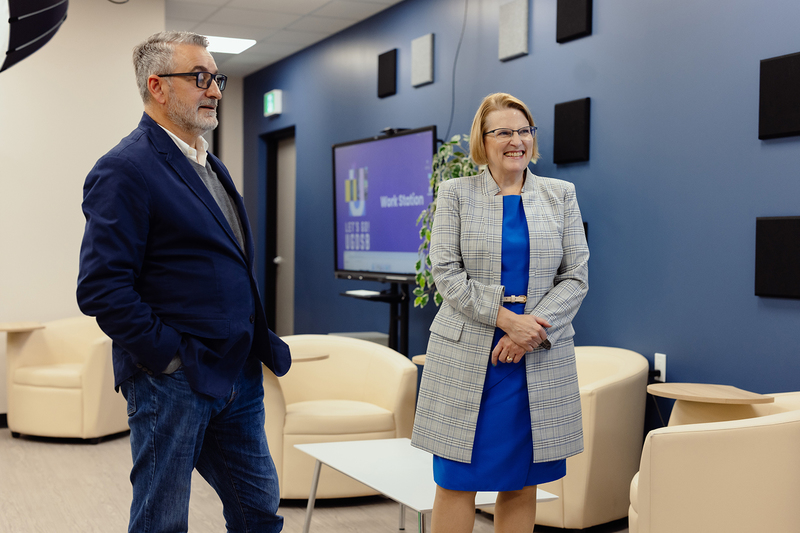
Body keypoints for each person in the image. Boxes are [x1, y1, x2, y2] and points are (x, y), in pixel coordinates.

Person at [77, 31, 291, 533]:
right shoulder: (124, 169)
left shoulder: (206, 163)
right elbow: (101, 288)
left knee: (258, 511)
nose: (215, 88)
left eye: (216, 77)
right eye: (200, 78)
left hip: (236, 373)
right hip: (174, 381)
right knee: (162, 520)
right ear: (157, 86)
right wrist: (170, 357)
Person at [411, 93, 589, 533]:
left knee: (521, 480)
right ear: (483, 140)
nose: (516, 140)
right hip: (469, 353)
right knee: (455, 479)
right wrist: (505, 319)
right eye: (504, 132)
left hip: (536, 354)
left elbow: (576, 277)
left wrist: (528, 331)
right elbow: (446, 273)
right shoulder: (455, 193)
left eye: (524, 130)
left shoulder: (560, 195)